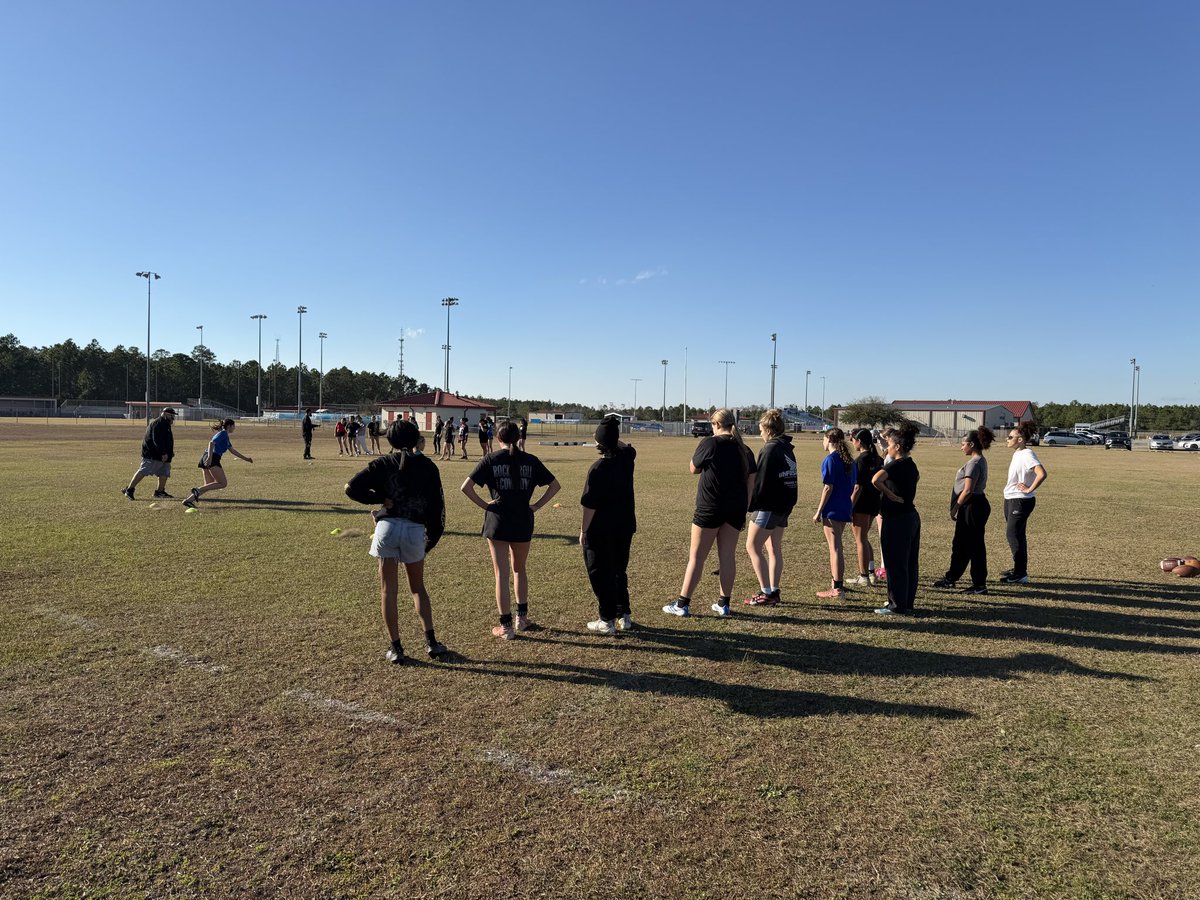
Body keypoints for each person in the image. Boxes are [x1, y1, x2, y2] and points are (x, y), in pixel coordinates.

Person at [345, 419, 448, 663]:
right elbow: (437, 508)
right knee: (418, 588)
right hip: (414, 531)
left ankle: (396, 648)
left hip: (387, 529)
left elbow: (351, 488)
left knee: (388, 591)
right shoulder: (429, 467)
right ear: (415, 439)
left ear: (390, 440)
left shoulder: (382, 463)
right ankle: (432, 642)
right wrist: (430, 539)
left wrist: (379, 498)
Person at [461, 420, 561, 639]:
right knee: (519, 569)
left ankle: (506, 627)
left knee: (501, 574)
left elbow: (465, 487)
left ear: (498, 438)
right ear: (518, 437)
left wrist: (486, 505)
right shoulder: (531, 460)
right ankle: (522, 619)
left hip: (498, 521)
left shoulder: (490, 459)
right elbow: (555, 486)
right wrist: (535, 506)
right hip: (523, 520)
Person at [663, 408, 756, 618]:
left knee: (697, 557)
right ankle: (724, 604)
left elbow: (693, 468)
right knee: (727, 557)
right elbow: (752, 479)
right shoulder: (744, 449)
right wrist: (744, 508)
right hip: (735, 509)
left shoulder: (711, 443)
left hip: (710, 507)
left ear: (715, 425)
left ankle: (682, 603)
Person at [580, 416, 637, 634]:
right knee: (618, 571)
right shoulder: (626, 459)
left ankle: (607, 619)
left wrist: (583, 531)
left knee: (600, 572)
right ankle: (624, 614)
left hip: (601, 529)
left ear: (599, 443)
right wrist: (613, 439)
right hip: (624, 526)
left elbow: (589, 506)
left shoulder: (597, 469)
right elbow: (627, 448)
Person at [744, 409, 797, 607]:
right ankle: (773, 590)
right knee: (773, 548)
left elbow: (760, 483)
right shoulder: (787, 447)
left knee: (752, 546)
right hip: (783, 505)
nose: (760, 434)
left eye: (760, 429)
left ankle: (766, 593)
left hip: (769, 506)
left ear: (767, 429)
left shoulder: (770, 449)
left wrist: (750, 505)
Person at [933, 427, 995, 595]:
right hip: (974, 505)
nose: (961, 447)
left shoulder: (975, 462)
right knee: (962, 545)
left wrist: (955, 507)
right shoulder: (978, 460)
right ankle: (951, 578)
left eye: (963, 444)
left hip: (972, 506)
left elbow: (968, 490)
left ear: (972, 444)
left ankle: (979, 584)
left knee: (974, 546)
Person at [870, 422, 921, 615]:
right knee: (909, 563)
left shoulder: (895, 464)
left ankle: (896, 606)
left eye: (889, 444)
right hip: (911, 516)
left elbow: (875, 480)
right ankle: (906, 602)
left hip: (896, 519)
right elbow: (916, 479)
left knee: (895, 563)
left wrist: (890, 495)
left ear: (897, 447)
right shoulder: (911, 464)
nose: (887, 448)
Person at [1001, 422, 1048, 585]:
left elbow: (1041, 473)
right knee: (1017, 535)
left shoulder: (1027, 453)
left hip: (1020, 500)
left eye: (1010, 437)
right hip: (1011, 499)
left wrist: (1029, 489)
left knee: (1013, 535)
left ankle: (1021, 573)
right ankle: (1018, 569)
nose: (1007, 439)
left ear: (1020, 439)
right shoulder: (1017, 453)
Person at [813, 428, 856, 599]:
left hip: (832, 509)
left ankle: (837, 588)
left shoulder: (830, 460)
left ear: (828, 439)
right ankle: (837, 583)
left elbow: (828, 487)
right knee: (837, 546)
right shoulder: (849, 461)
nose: (822, 443)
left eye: (823, 439)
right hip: (845, 507)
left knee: (835, 548)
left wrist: (819, 511)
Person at [182, 419, 253, 508]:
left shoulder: (225, 436)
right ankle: (197, 490)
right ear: (229, 426)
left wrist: (246, 459)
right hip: (212, 458)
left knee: (209, 484)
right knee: (223, 483)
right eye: (234, 426)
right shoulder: (223, 434)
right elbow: (211, 443)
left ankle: (188, 500)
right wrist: (209, 458)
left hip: (208, 457)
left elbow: (232, 450)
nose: (234, 428)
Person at [849, 428, 884, 585]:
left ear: (859, 441)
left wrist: (850, 505)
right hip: (874, 502)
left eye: (853, 439)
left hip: (862, 504)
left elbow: (858, 487)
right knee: (864, 538)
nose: (852, 442)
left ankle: (863, 576)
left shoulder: (860, 460)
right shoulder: (877, 459)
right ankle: (871, 573)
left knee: (860, 540)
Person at [123, 407, 177, 500]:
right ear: (165, 414)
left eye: (173, 416)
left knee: (164, 473)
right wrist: (163, 452)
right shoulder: (158, 424)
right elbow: (157, 440)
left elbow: (166, 440)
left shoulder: (166, 424)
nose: (173, 418)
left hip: (164, 455)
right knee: (143, 471)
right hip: (152, 454)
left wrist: (169, 452)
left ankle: (160, 492)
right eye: (171, 415)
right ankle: (129, 489)